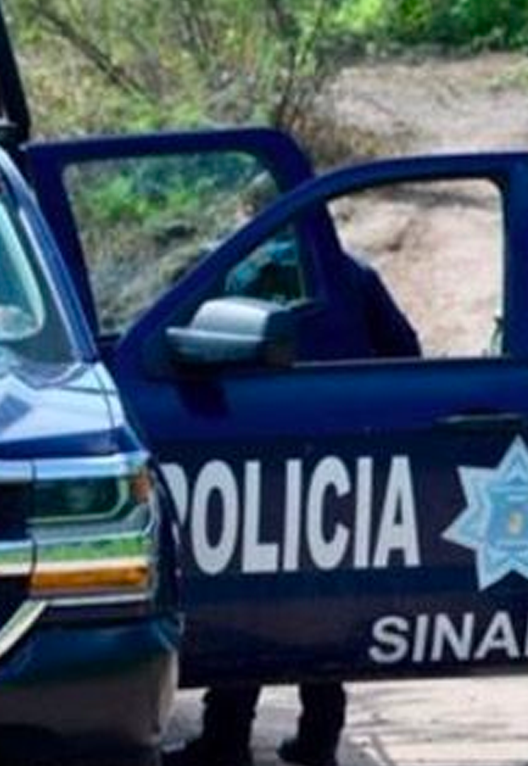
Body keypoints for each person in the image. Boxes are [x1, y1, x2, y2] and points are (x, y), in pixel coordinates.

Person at [166, 241, 421, 766]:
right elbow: (406, 354)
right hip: (342, 456)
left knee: (250, 594)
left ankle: (227, 738)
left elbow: (191, 353)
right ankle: (319, 740)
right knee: (325, 598)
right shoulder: (351, 273)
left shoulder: (240, 272)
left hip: (254, 450)